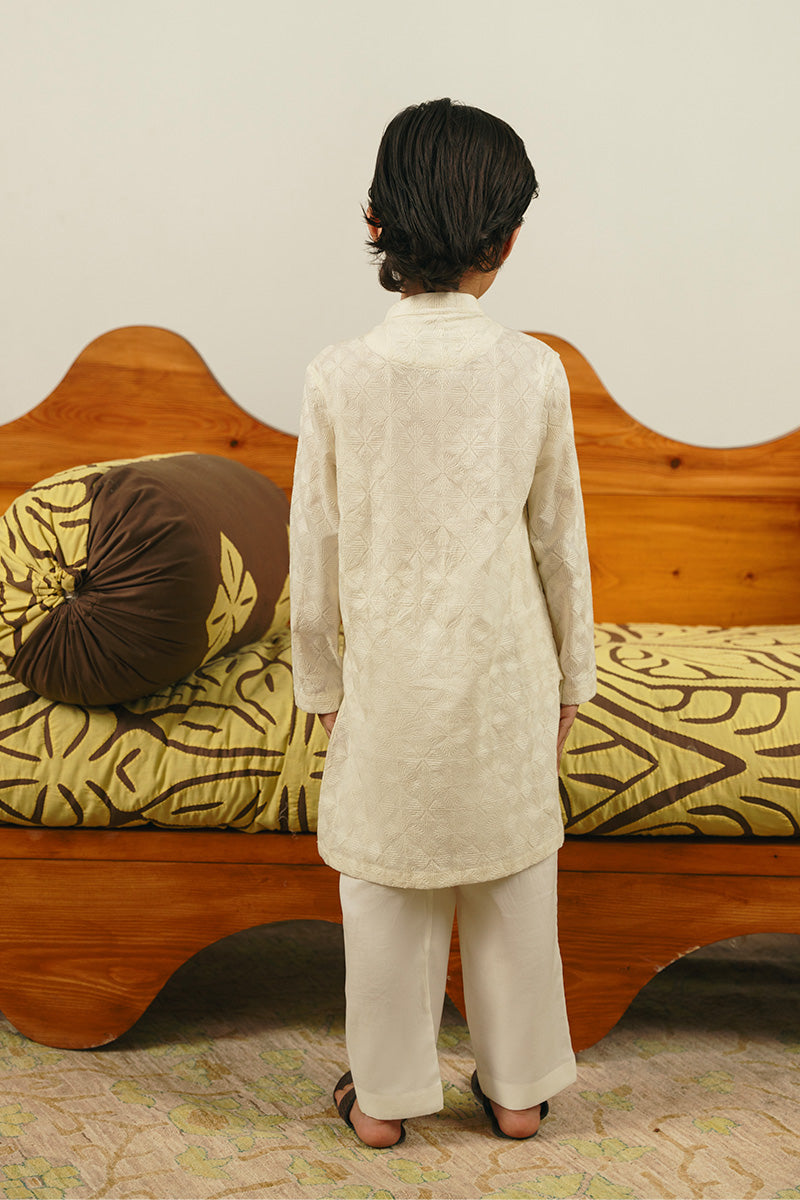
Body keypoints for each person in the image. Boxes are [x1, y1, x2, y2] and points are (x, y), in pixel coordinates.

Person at [289, 97, 596, 1149]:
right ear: (504, 242)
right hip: (505, 681)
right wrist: (572, 679)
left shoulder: (336, 375)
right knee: (512, 878)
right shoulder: (533, 370)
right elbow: (560, 544)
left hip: (388, 686)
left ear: (375, 220)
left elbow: (314, 547)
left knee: (385, 884)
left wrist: (321, 685)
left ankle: (382, 1100)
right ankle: (518, 1091)